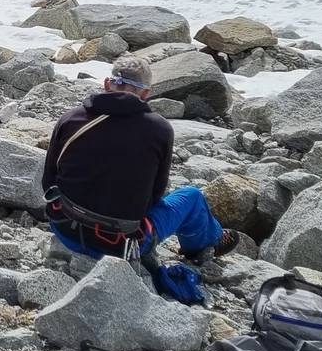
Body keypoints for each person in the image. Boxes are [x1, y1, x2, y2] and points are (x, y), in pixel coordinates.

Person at [41, 56, 239, 263]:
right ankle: (207, 244)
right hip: (119, 244)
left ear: (107, 83)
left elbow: (48, 181)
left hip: (65, 229)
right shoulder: (160, 129)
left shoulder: (71, 119)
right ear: (146, 93)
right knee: (192, 197)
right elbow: (155, 196)